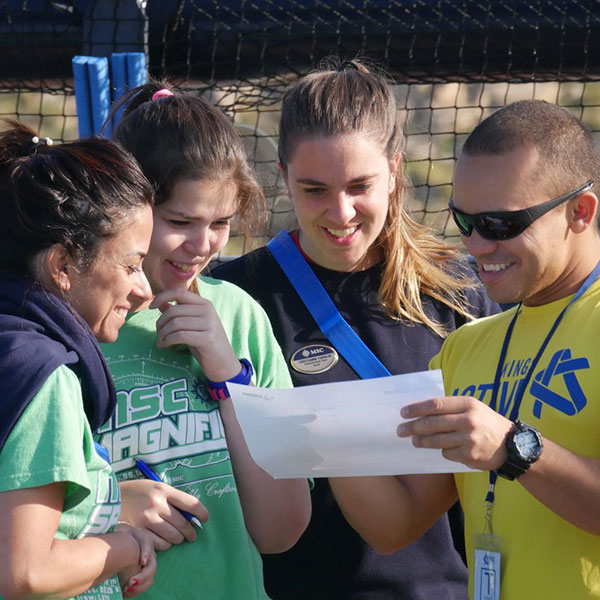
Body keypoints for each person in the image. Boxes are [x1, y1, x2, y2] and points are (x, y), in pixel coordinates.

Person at [213, 59, 497, 600]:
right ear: (282, 173)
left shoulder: (462, 289)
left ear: (394, 169)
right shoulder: (235, 298)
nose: (339, 212)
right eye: (314, 189)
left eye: (359, 185)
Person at [331, 99, 600, 599]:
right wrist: (321, 440)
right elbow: (397, 527)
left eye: (501, 225)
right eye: (465, 222)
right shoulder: (463, 348)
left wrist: (516, 451)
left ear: (580, 212)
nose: (476, 247)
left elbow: (510, 451)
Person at [95, 82, 311, 600]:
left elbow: (282, 532)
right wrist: (106, 505)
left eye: (220, 223)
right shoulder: (68, 325)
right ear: (129, 206)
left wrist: (229, 378)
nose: (201, 246)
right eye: (179, 222)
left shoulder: (239, 317)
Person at [0, 121, 157, 600]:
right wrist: (125, 545)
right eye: (130, 266)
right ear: (63, 266)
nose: (144, 290)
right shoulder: (43, 375)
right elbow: (25, 572)